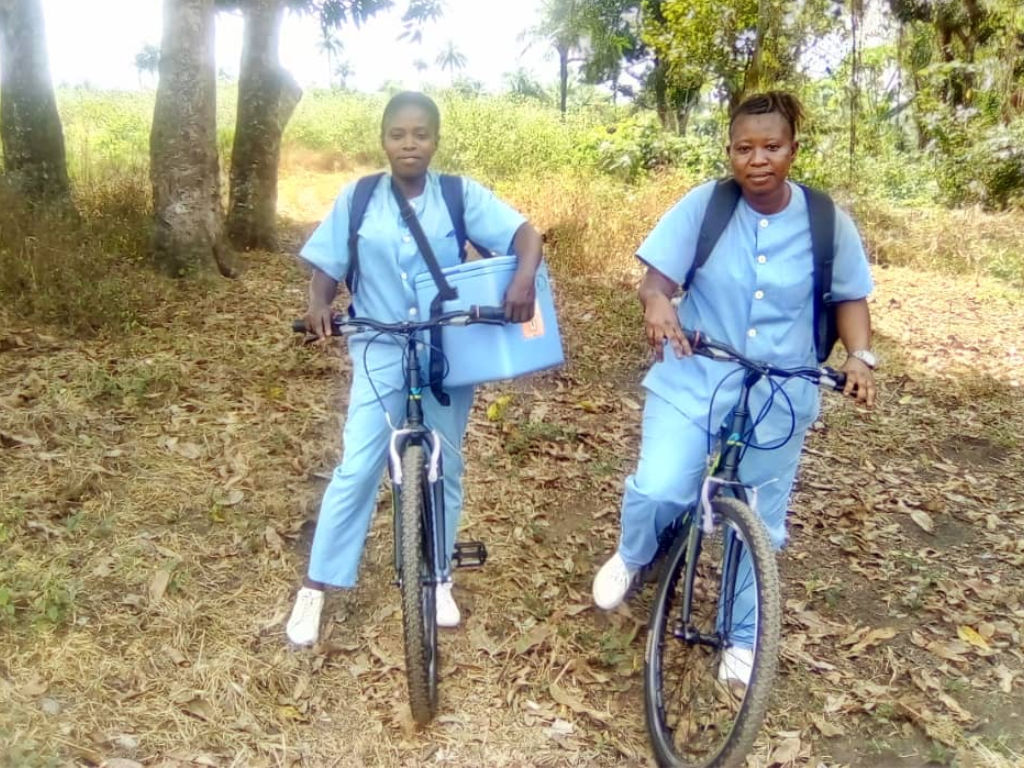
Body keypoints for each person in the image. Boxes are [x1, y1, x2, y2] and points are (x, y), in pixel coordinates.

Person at [591, 91, 876, 684]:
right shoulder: (707, 206)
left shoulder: (826, 221)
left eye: (771, 146)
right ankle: (634, 553)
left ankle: (741, 635)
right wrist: (658, 305)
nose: (758, 159)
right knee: (660, 486)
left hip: (781, 390)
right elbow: (656, 282)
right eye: (744, 148)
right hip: (695, 371)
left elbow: (850, 297)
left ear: (793, 150)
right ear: (730, 152)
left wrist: (860, 357)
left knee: (758, 520)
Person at [286, 91, 543, 646]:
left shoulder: (458, 195)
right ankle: (315, 587)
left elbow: (525, 235)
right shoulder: (358, 198)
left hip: (449, 347)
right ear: (383, 140)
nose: (409, 144)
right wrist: (318, 304)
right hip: (378, 345)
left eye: (420, 134)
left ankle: (439, 573)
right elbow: (327, 267)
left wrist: (523, 279)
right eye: (398, 134)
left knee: (444, 463)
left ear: (435, 140)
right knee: (358, 466)